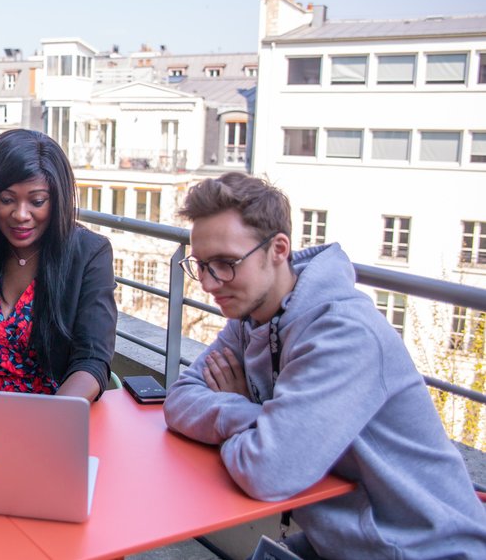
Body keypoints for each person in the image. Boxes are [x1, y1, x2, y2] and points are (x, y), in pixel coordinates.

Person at [164, 172, 486, 559]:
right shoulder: (249, 320)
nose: (209, 284)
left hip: (420, 548)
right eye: (200, 265)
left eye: (226, 263)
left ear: (278, 249)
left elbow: (269, 470)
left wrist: (258, 426)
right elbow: (179, 400)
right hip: (339, 542)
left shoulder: (345, 335)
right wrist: (264, 420)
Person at [0, 129, 117, 402]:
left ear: (57, 199)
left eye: (37, 201)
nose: (21, 215)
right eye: (7, 200)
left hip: (57, 423)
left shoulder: (89, 254)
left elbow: (91, 362)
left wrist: (48, 421)